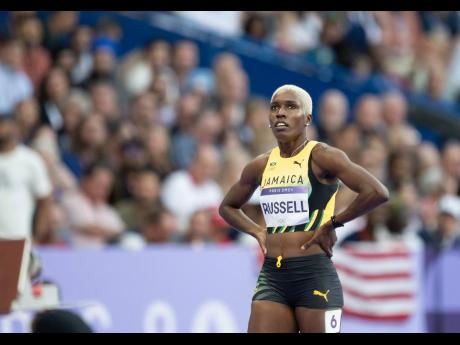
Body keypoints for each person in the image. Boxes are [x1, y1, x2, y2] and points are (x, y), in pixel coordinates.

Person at [219, 84, 389, 333]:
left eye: (290, 107)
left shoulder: (323, 156)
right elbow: (227, 207)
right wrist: (257, 230)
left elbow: (377, 192)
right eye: (275, 107)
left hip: (314, 275)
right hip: (273, 277)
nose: (280, 113)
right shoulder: (261, 165)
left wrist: (334, 222)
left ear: (307, 118)